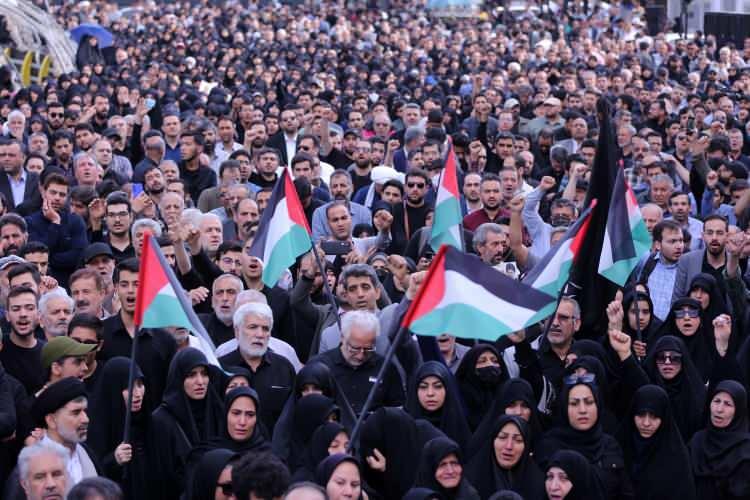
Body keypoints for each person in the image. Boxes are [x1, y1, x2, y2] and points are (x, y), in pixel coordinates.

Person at [534, 378, 632, 499]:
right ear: (565, 408)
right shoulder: (549, 446)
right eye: (574, 403)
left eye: (589, 402)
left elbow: (625, 492)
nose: (582, 410)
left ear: (598, 405)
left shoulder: (609, 445)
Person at [149, 348, 224, 500]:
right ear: (179, 378)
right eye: (191, 375)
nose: (200, 381)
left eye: (204, 374)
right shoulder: (161, 420)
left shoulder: (218, 412)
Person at [217, 302, 296, 435]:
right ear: (237, 331)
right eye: (253, 327)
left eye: (265, 329)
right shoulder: (221, 368)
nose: (260, 334)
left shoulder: (284, 367)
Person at [616, 385, 696, 500]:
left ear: (664, 417)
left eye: (654, 416)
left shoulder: (677, 459)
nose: (646, 423)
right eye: (641, 414)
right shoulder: (617, 446)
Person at [86, 358, 151, 500]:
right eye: (129, 387)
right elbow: (91, 474)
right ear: (114, 388)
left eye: (140, 384)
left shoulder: (146, 420)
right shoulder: (94, 424)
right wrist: (114, 460)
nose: (137, 393)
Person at [689, 380, 750, 500]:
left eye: (728, 404)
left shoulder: (745, 450)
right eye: (716, 401)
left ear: (738, 411)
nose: (719, 409)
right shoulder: (697, 440)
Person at [465, 415, 545, 500]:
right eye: (502, 437)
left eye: (518, 440)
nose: (509, 446)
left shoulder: (540, 485)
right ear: (492, 441)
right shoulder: (469, 481)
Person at [405, 361, 471, 451]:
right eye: (423, 387)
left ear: (448, 389)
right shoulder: (405, 427)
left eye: (438, 386)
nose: (430, 393)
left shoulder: (459, 427)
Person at [455, 344, 509, 431]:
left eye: (495, 361)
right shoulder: (458, 398)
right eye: (482, 361)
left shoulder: (507, 394)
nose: (490, 364)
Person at [412, 436, 480, 500]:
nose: (450, 471)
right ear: (430, 470)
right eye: (442, 465)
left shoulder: (470, 496)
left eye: (454, 463)